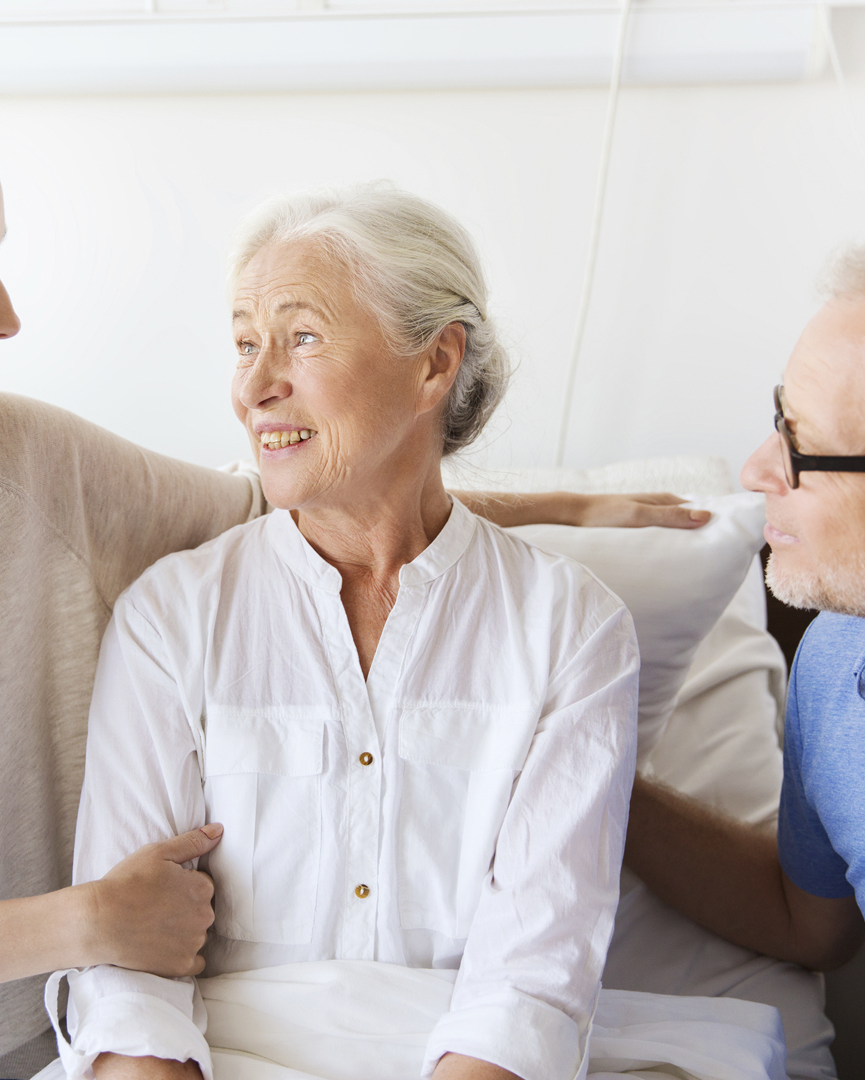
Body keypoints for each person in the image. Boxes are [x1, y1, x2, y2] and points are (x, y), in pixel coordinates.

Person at [0, 60, 698, 1080]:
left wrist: (564, 504)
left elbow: (308, 501)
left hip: (9, 1042)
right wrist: (87, 924)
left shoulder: (19, 462)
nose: (7, 314)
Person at [65, 184, 640, 1080]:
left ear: (433, 365)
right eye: (246, 345)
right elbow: (126, 977)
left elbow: (531, 983)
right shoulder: (170, 618)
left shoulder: (571, 629)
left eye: (301, 338)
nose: (256, 388)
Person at [624, 223, 865, 1080]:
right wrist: (591, 772)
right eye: (779, 419)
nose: (758, 467)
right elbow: (807, 922)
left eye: (802, 445)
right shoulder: (844, 665)